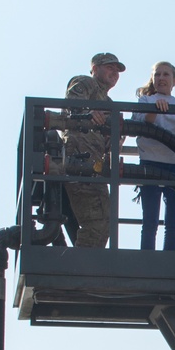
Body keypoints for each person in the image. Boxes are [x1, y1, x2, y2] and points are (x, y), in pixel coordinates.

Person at [62, 52, 125, 248]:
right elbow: (71, 105)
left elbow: (116, 138)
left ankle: (84, 263)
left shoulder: (109, 104)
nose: (114, 72)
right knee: (97, 221)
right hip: (79, 161)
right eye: (109, 67)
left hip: (95, 167)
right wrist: (88, 113)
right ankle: (81, 266)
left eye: (117, 70)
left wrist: (116, 136)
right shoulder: (85, 83)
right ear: (95, 69)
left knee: (105, 219)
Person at [131, 61, 175, 252]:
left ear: (174, 80)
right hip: (149, 162)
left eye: (166, 74)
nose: (161, 78)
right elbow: (139, 125)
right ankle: (147, 258)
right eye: (157, 74)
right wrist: (154, 110)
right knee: (150, 220)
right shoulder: (145, 101)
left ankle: (170, 259)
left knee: (173, 222)